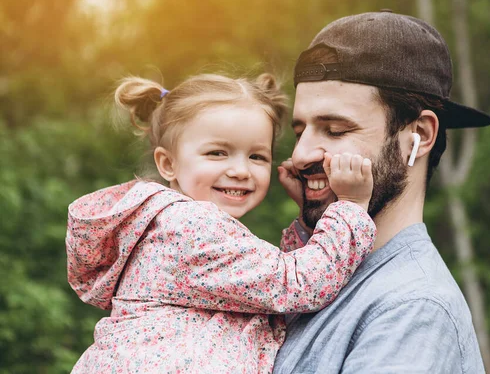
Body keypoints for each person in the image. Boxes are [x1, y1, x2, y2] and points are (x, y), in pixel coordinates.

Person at [66, 72, 377, 373]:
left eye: (257, 157)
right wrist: (350, 207)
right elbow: (297, 285)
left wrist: (306, 225)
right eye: (217, 153)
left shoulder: (174, 223)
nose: (241, 170)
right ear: (168, 163)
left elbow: (268, 285)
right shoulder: (189, 228)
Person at [273, 11, 490, 373]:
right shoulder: (316, 279)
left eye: (334, 130)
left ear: (419, 135)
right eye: (301, 131)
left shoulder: (412, 309)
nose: (299, 155)